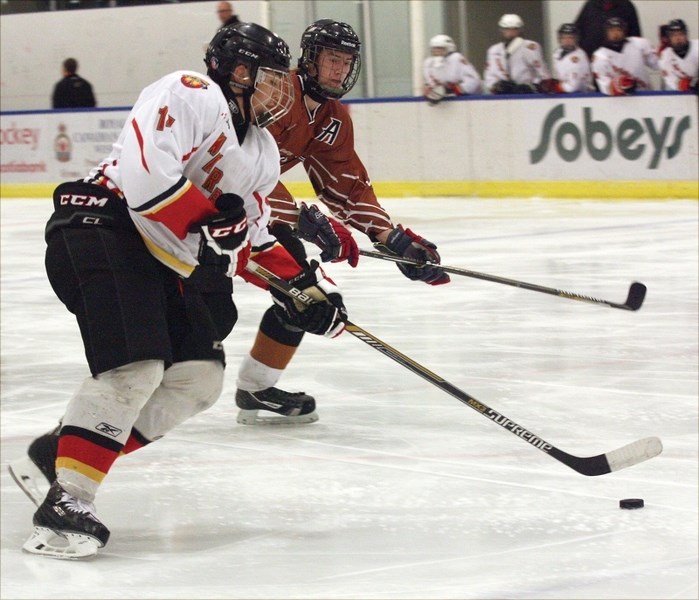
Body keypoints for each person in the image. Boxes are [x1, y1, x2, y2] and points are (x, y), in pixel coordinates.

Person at [9, 21, 348, 560]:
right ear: (238, 72)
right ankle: (65, 503)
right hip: (102, 224)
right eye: (271, 79)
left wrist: (306, 289)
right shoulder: (188, 92)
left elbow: (253, 235)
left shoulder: (259, 148)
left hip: (162, 257)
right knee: (137, 367)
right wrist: (211, 220)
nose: (281, 92)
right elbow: (146, 181)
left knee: (197, 381)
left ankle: (63, 450)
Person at [233, 19, 451, 426]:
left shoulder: (332, 118)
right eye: (332, 59)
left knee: (306, 295)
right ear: (311, 59)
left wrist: (391, 238)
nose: (339, 69)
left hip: (259, 214)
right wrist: (302, 218)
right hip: (214, 209)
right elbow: (239, 171)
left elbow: (346, 186)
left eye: (346, 61)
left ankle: (256, 388)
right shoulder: (275, 94)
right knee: (202, 311)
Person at [483, 14, 551, 94]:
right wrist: (497, 86)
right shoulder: (493, 50)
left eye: (514, 29)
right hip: (503, 96)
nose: (511, 33)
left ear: (520, 31)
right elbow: (489, 76)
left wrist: (532, 86)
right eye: (507, 29)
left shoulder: (530, 47)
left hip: (527, 93)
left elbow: (543, 73)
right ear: (502, 30)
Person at [592, 17, 659, 96]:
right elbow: (604, 84)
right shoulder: (599, 56)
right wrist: (618, 85)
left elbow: (657, 65)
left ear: (624, 31)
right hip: (620, 100)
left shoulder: (639, 44)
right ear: (606, 32)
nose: (615, 33)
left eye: (618, 30)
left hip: (645, 94)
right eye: (612, 30)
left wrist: (664, 52)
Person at [422, 34, 482, 104]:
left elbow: (474, 81)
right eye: (435, 49)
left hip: (467, 101)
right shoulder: (429, 63)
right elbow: (429, 84)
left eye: (440, 48)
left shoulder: (456, 58)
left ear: (449, 48)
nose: (437, 52)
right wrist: (431, 92)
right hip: (444, 104)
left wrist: (452, 90)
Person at [574, 0, 641, 58]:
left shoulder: (627, 6)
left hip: (618, 62)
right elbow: (576, 31)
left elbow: (635, 37)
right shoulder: (590, 5)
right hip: (590, 58)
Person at [538, 23, 594, 94]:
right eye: (564, 37)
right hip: (566, 94)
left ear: (576, 39)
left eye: (570, 37)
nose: (567, 40)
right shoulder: (558, 52)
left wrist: (556, 87)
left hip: (583, 95)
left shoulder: (579, 57)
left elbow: (574, 86)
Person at [659, 19, 698, 93]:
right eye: (674, 35)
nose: (678, 38)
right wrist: (683, 84)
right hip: (684, 95)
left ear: (686, 35)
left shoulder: (697, 47)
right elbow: (672, 81)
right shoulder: (665, 56)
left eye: (681, 34)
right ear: (669, 38)